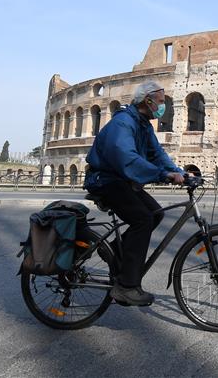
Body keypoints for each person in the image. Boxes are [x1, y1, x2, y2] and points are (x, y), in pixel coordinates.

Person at [84, 81, 185, 306]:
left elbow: (157, 154)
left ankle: (114, 251)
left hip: (121, 180)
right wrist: (163, 175)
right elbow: (127, 159)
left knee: (156, 213)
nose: (163, 107)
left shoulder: (143, 125)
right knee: (143, 219)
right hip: (105, 180)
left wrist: (179, 172)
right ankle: (127, 286)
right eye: (160, 102)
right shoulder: (123, 123)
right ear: (147, 100)